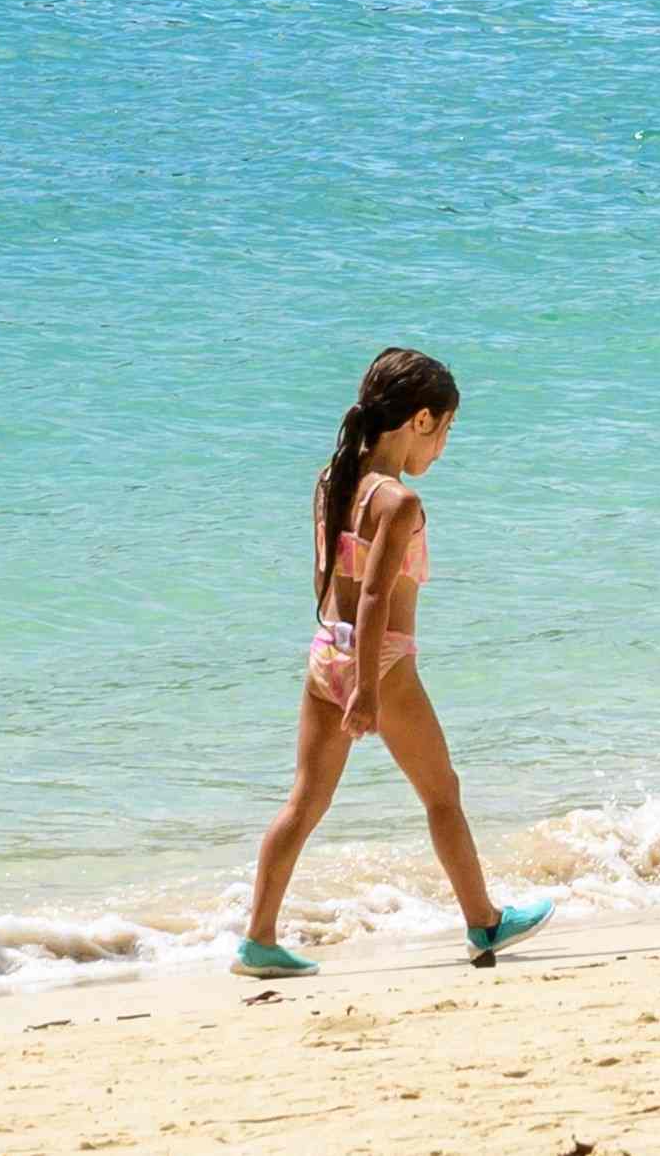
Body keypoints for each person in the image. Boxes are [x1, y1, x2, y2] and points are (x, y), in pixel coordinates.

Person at [236, 345, 552, 975]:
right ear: (422, 420)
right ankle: (484, 922)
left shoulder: (333, 479)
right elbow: (378, 594)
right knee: (443, 794)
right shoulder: (398, 503)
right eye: (447, 432)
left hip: (328, 650)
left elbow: (328, 578)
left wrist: (341, 663)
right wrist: (369, 692)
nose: (442, 449)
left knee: (304, 802)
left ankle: (258, 940)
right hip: (381, 664)